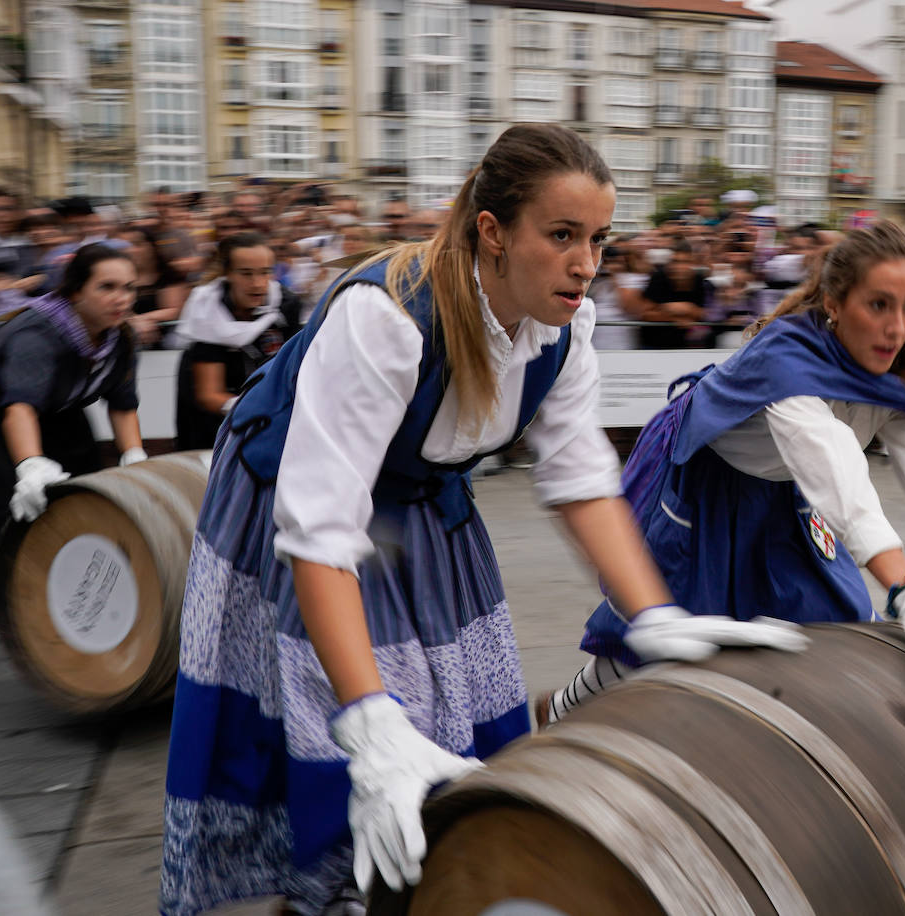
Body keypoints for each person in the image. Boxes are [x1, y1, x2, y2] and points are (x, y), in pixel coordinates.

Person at [158, 124, 802, 916]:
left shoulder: (567, 332)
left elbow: (580, 480)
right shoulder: (387, 316)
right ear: (493, 233)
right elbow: (319, 530)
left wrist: (655, 614)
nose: (587, 264)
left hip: (424, 503)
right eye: (562, 235)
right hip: (292, 503)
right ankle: (334, 890)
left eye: (599, 239)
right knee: (355, 746)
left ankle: (418, 876)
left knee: (453, 733)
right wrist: (366, 724)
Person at [544, 222, 905, 723]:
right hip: (708, 483)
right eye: (878, 305)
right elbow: (836, 465)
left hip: (789, 492)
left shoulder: (895, 363)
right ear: (834, 302)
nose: (896, 326)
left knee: (837, 622)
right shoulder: (785, 359)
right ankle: (568, 707)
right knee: (671, 630)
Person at [0, 244, 147, 648]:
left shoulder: (122, 339)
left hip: (55, 413)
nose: (121, 298)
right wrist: (31, 467)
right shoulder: (38, 333)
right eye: (107, 287)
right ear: (76, 292)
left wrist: (134, 459)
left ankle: (65, 596)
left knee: (86, 495)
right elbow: (18, 408)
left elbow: (123, 407)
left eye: (129, 288)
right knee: (16, 509)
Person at [173, 232, 305, 450]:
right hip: (216, 418)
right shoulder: (207, 311)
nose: (257, 283)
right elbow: (209, 394)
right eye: (246, 274)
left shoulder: (287, 304)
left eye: (265, 272)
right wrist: (259, 409)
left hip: (268, 411)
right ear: (227, 273)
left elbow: (292, 367)